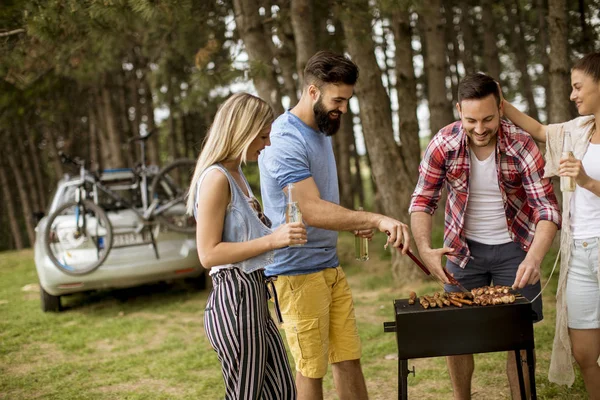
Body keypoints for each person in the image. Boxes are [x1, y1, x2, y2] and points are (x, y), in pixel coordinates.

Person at [258, 50, 410, 400]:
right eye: (337, 99)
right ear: (313, 91)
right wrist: (373, 217)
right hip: (296, 274)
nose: (342, 108)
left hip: (328, 266)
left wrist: (348, 222)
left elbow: (320, 203)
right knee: (311, 370)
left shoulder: (321, 130)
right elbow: (309, 210)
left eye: (347, 100)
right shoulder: (284, 138)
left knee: (348, 358)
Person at [409, 72, 561, 400]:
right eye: (471, 120)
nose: (480, 129)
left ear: (501, 107)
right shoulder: (443, 143)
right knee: (457, 333)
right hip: (462, 252)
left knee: (518, 337)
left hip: (516, 249)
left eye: (489, 119)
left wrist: (535, 257)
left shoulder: (522, 144)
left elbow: (547, 209)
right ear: (458, 111)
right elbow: (423, 200)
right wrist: (425, 248)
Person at [186, 92, 306, 400]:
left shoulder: (237, 174)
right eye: (263, 136)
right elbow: (208, 254)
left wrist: (280, 233)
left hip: (254, 297)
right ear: (243, 130)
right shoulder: (216, 178)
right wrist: (273, 239)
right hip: (235, 299)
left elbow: (244, 238)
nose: (267, 144)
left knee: (282, 392)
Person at [502, 52, 600, 397]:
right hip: (579, 252)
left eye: (578, 87)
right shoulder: (579, 131)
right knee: (584, 352)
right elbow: (542, 131)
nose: (573, 95)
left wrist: (588, 182)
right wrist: (501, 102)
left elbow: (588, 183)